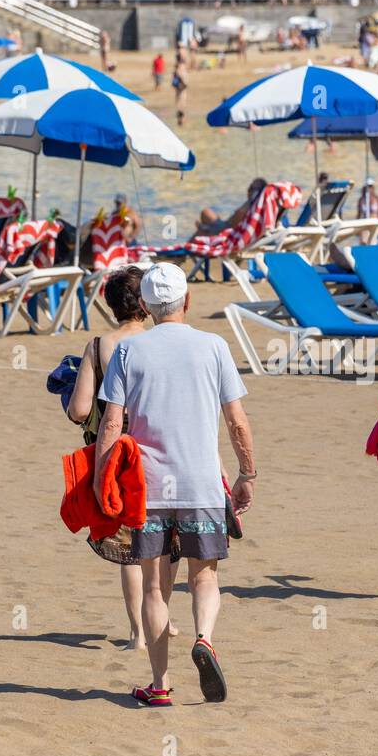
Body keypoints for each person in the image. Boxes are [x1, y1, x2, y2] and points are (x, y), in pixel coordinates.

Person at [95, 263, 256, 706]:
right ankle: (204, 638)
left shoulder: (130, 352)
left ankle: (160, 684)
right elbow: (237, 421)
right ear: (187, 301)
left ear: (144, 305)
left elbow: (111, 424)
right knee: (204, 577)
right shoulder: (214, 346)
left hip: (148, 487)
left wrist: (99, 482)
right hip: (202, 482)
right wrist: (247, 474)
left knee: (153, 586)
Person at [67, 266, 179, 651]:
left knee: (131, 545)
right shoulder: (160, 342)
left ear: (110, 305)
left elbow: (81, 410)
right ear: (146, 305)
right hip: (157, 447)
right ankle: (162, 616)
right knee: (167, 539)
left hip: (115, 453)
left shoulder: (99, 346)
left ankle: (137, 633)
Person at [197, 177, 266, 236]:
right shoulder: (260, 207)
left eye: (251, 188)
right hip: (227, 225)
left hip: (225, 230)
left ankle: (206, 231)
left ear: (257, 193)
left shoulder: (248, 207)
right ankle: (207, 228)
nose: (248, 190)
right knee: (207, 213)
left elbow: (231, 229)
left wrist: (251, 200)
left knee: (205, 213)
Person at [172, 49, 189, 127]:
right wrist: (183, 83)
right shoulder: (180, 65)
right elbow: (178, 74)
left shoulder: (178, 65)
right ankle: (181, 120)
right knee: (181, 103)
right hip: (181, 87)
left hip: (180, 87)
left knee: (180, 102)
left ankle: (181, 119)